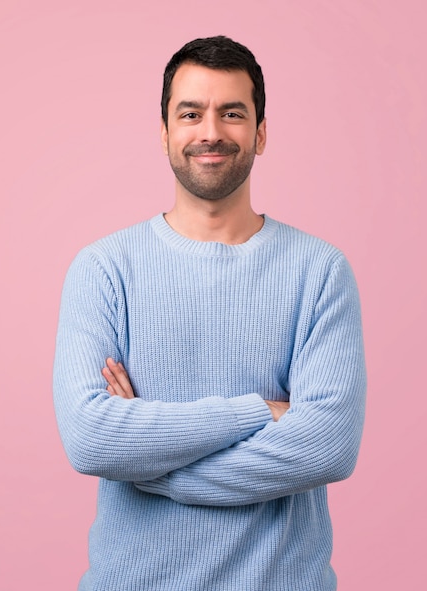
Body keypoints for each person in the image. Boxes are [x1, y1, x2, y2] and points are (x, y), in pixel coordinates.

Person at [53, 35, 366, 591]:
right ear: (165, 132)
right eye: (191, 113)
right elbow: (91, 438)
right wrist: (257, 414)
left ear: (260, 133)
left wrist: (151, 466)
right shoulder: (104, 268)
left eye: (233, 113)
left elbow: (328, 446)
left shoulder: (319, 271)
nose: (211, 132)